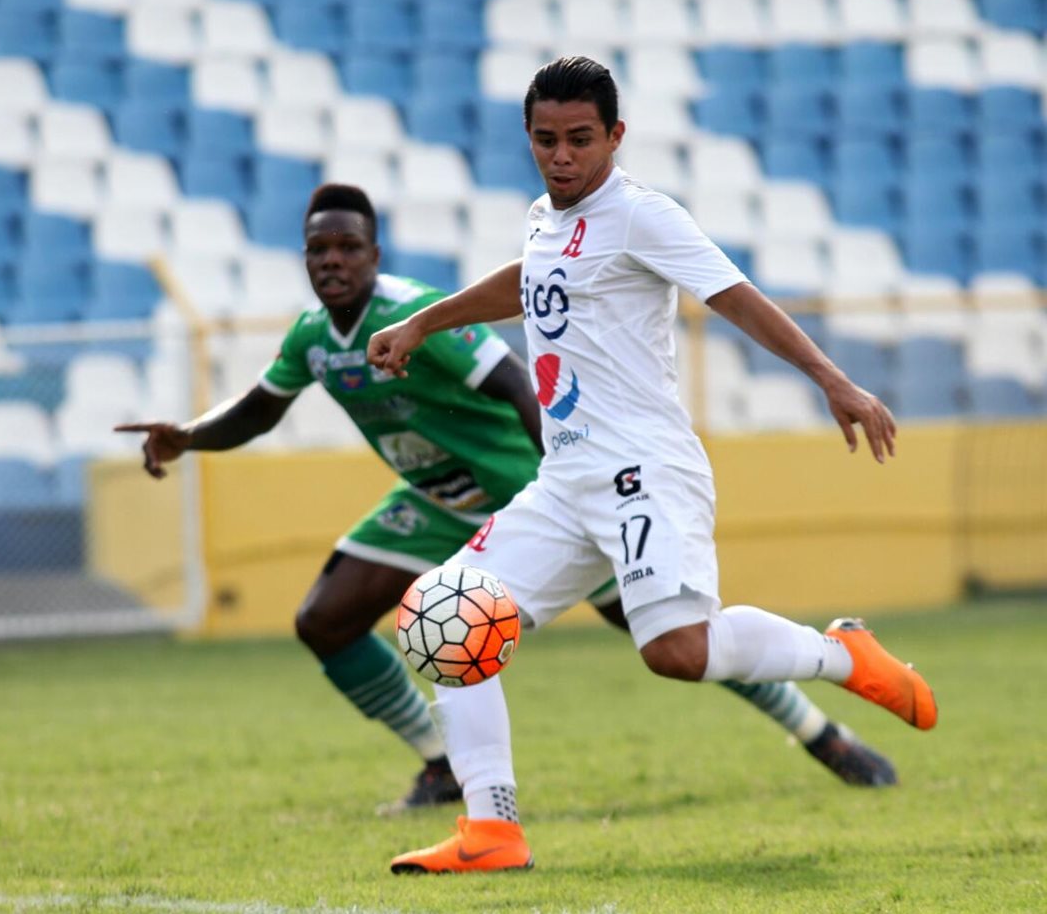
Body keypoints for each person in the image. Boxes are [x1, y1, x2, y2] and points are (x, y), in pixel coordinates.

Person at [117, 182, 897, 820]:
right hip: (433, 502)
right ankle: (448, 773)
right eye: (319, 250)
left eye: (348, 247)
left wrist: (560, 481)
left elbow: (520, 381)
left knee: (674, 638)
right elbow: (260, 408)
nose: (333, 262)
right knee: (326, 618)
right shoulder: (312, 338)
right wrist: (187, 435)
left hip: (534, 491)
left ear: (374, 253)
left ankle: (819, 729)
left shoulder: (414, 309)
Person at [367, 57, 937, 874]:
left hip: (645, 467)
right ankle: (491, 830)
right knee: (445, 617)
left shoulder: (643, 216)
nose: (561, 156)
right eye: (544, 140)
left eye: (580, 140)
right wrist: (426, 323)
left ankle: (846, 656)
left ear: (616, 136)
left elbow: (735, 294)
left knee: (675, 652)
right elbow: (528, 286)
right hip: (565, 483)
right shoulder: (544, 217)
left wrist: (832, 380)